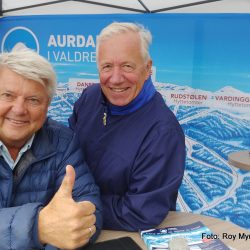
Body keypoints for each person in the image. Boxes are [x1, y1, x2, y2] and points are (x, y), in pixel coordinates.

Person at [69, 22, 185, 231]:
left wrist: (77, 205)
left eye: (127, 66)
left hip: (125, 235)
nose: (115, 78)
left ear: (148, 68)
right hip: (78, 226)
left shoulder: (162, 132)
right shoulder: (90, 98)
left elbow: (139, 212)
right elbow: (66, 154)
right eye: (107, 67)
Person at [0, 47, 102, 250]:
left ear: (47, 106)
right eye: (8, 95)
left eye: (33, 100)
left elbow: (88, 210)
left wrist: (60, 237)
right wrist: (38, 228)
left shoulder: (62, 142)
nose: (19, 109)